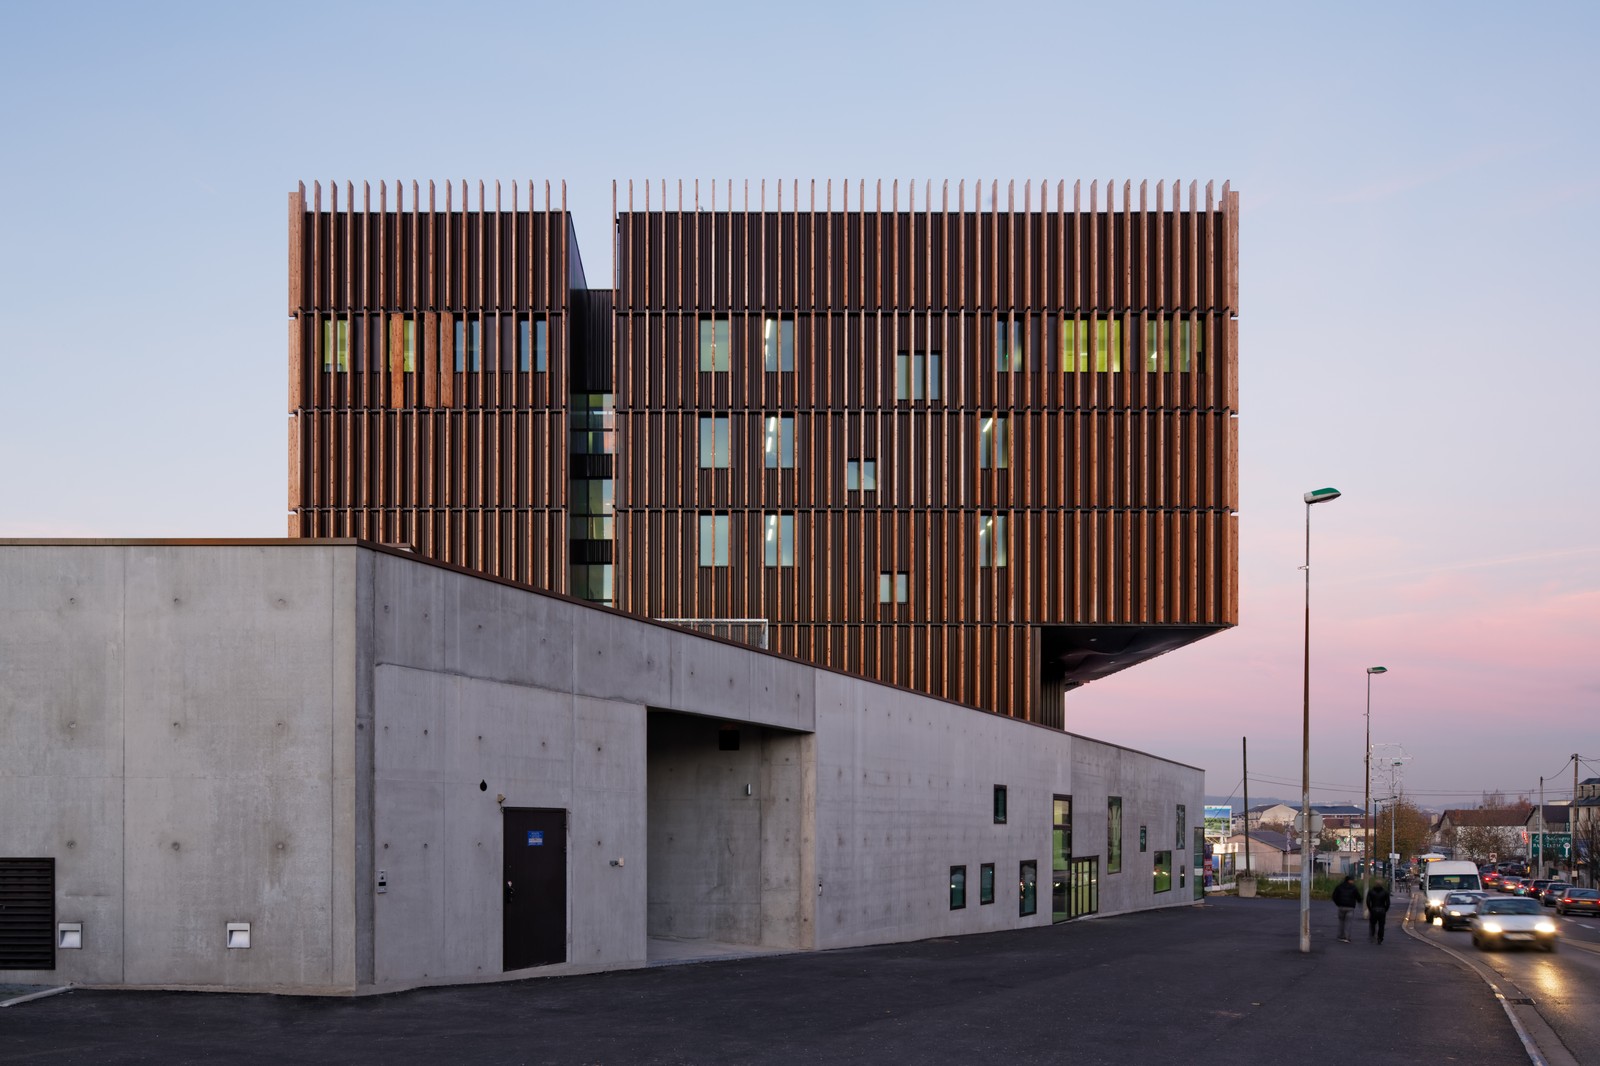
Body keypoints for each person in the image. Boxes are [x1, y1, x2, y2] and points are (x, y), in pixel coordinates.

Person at [1332, 875, 1360, 942]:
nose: (1353, 881)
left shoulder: (1339, 886)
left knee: (1341, 922)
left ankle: (1340, 936)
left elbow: (1334, 896)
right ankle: (1346, 937)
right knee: (1348, 923)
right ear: (1349, 880)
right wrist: (1359, 901)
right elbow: (1358, 896)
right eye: (1352, 880)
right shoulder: (1353, 888)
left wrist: (1338, 903)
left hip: (1341, 907)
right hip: (1350, 907)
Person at [1366, 877, 1392, 943]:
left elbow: (1368, 901)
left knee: (1372, 924)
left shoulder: (1371, 891)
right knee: (1381, 925)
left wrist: (1370, 909)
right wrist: (1385, 909)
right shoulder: (1385, 892)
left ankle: (1372, 934)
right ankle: (1380, 937)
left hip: (1374, 909)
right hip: (1382, 910)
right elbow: (1388, 903)